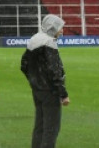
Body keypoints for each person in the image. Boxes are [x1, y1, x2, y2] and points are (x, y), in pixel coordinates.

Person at [21, 15, 70, 148]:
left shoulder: (34, 39)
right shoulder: (49, 42)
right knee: (51, 128)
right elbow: (54, 71)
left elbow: (24, 65)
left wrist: (34, 80)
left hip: (37, 90)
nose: (62, 31)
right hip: (50, 91)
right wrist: (63, 94)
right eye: (60, 28)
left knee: (40, 125)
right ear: (52, 27)